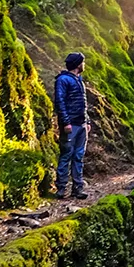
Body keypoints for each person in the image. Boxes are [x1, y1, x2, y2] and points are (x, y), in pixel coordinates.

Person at [54, 52, 90, 200]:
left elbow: (84, 104)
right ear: (77, 64)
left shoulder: (79, 80)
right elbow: (60, 102)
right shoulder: (63, 80)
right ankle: (61, 188)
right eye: (83, 62)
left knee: (79, 156)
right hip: (70, 125)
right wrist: (66, 122)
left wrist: (87, 121)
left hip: (81, 125)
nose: (84, 64)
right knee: (66, 155)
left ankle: (77, 188)